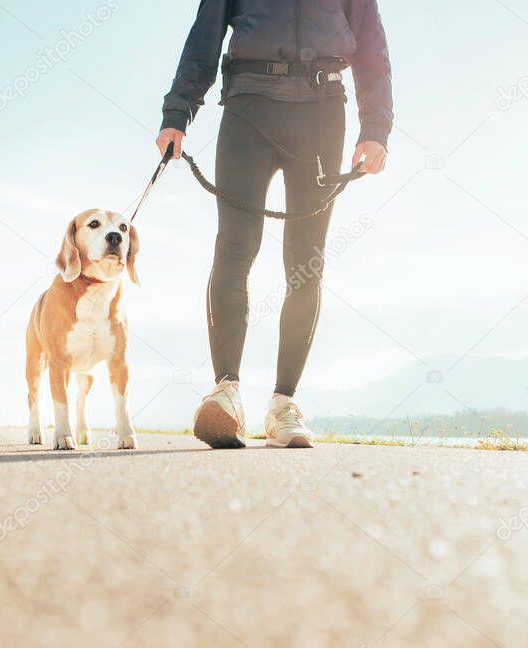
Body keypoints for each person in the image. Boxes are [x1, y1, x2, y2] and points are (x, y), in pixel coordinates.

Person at [156, 0, 393, 449]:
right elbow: (203, 40)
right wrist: (177, 114)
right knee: (235, 247)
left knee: (306, 261)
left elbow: (371, 48)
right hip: (248, 107)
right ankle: (226, 394)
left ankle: (283, 406)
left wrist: (376, 126)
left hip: (323, 110)